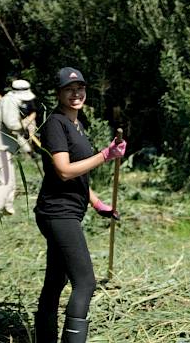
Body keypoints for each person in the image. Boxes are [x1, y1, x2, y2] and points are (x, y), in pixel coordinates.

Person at [33, 67, 126, 343]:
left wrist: (97, 203)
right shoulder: (55, 124)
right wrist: (105, 155)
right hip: (57, 212)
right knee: (85, 282)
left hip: (69, 210)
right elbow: (63, 170)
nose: (76, 93)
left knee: (56, 281)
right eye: (69, 89)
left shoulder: (76, 125)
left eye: (80, 88)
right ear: (59, 93)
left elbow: (79, 174)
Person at [0, 80, 37, 218]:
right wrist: (29, 120)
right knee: (5, 182)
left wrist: (28, 149)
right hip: (0, 147)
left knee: (11, 182)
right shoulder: (9, 101)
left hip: (5, 147)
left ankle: (7, 209)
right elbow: (13, 125)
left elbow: (14, 133)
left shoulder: (13, 102)